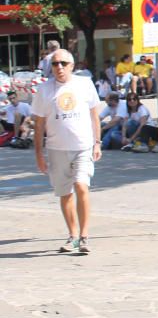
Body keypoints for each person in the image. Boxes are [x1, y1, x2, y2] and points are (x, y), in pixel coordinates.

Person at [31, 49, 101, 254]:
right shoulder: (44, 90)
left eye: (63, 63)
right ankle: (72, 236)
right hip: (56, 148)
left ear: (72, 65)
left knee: (81, 185)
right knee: (65, 193)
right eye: (55, 64)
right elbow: (39, 125)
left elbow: (94, 115)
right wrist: (38, 155)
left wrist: (97, 142)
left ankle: (85, 236)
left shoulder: (84, 84)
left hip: (82, 146)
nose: (59, 68)